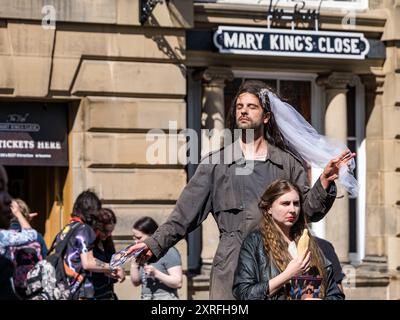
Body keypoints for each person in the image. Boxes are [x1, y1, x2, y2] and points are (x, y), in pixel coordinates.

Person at [129, 80, 357, 299]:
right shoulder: (216, 164)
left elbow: (309, 211)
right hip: (231, 267)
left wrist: (325, 181)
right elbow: (182, 217)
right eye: (239, 107)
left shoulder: (287, 164)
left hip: (279, 265)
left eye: (251, 107)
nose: (243, 111)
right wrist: (153, 244)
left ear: (266, 116)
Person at [232, 179, 344, 300]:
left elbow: (335, 294)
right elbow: (244, 294)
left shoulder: (311, 243)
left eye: (296, 204)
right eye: (285, 203)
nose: (292, 210)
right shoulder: (255, 243)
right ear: (269, 208)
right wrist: (288, 274)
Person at [52, 190, 124, 299]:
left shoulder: (68, 228)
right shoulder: (84, 229)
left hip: (65, 291)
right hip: (78, 291)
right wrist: (113, 268)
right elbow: (88, 262)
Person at [0, 166, 37, 300]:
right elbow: (31, 235)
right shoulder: (2, 236)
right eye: (0, 188)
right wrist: (18, 213)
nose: (8, 199)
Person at [130, 217, 182, 300]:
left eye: (139, 238)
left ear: (151, 235)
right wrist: (134, 264)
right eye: (134, 238)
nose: (136, 242)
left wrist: (156, 274)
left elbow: (178, 283)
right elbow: (136, 282)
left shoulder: (169, 251)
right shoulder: (143, 253)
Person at [91, 207, 122, 300]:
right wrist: (107, 270)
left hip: (108, 294)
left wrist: (116, 272)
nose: (108, 234)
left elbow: (113, 264)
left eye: (111, 231)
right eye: (105, 231)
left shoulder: (107, 243)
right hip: (93, 295)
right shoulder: (88, 243)